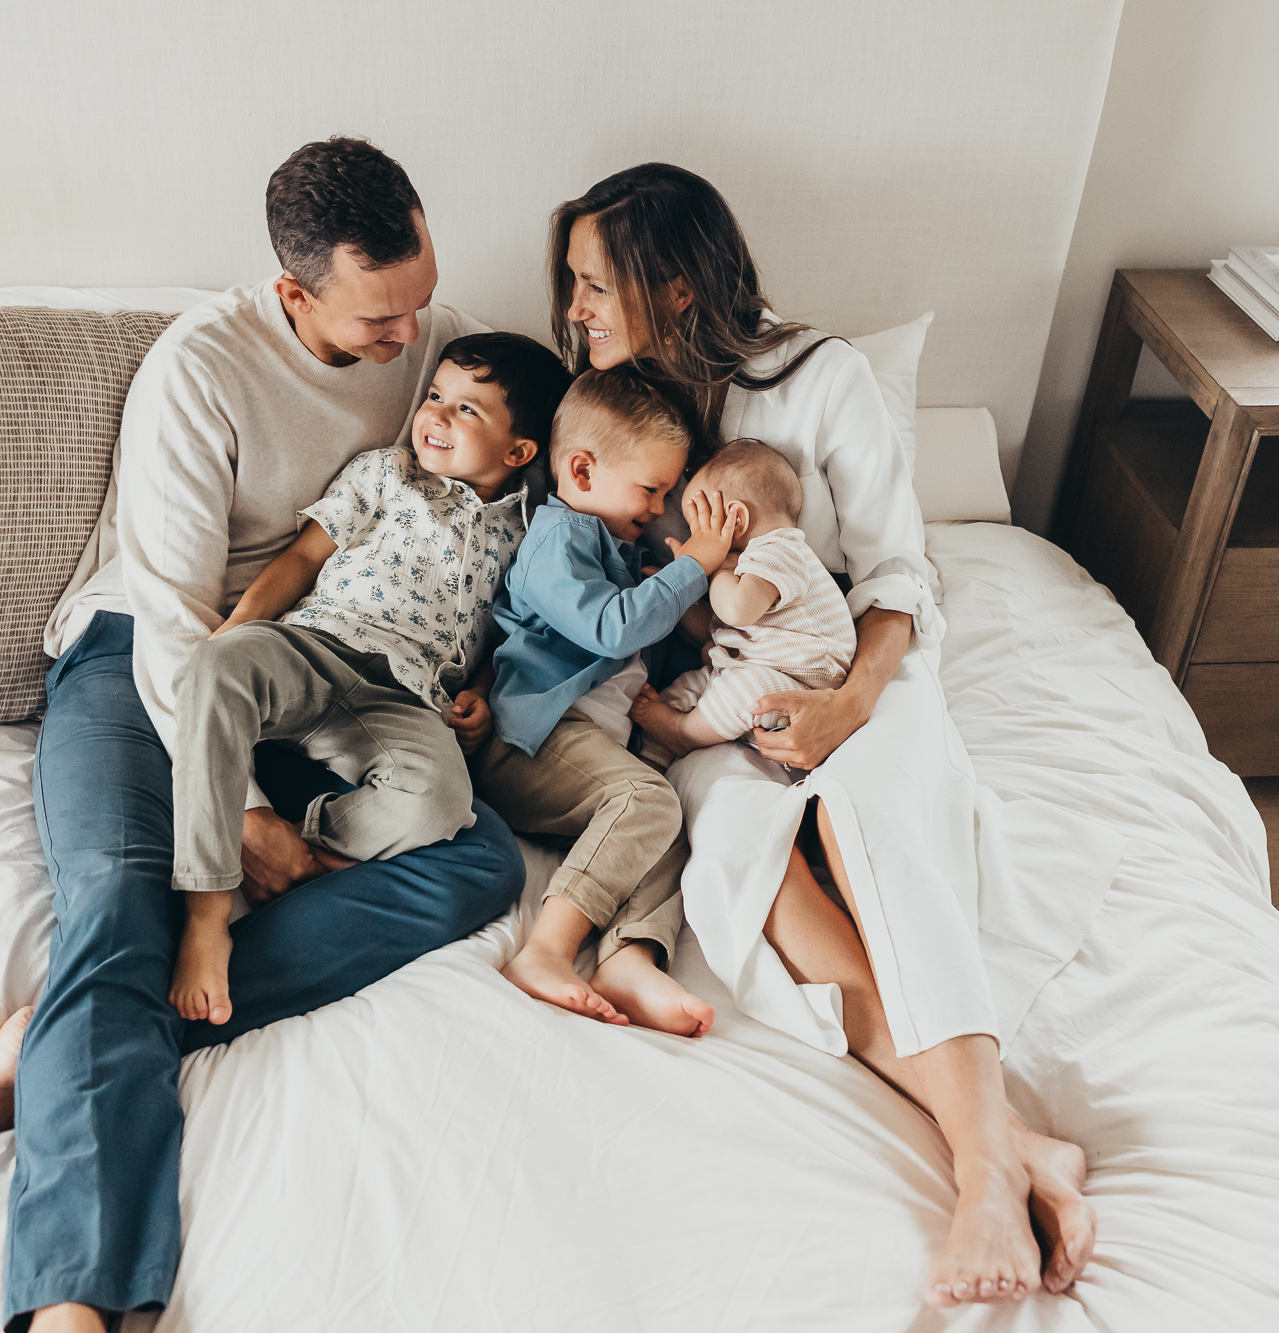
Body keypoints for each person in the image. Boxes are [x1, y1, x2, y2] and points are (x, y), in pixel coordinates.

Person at [0, 137, 527, 1333]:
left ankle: (58, 1046)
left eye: (419, 301)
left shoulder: (443, 352)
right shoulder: (199, 371)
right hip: (147, 662)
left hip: (320, 666)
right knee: (127, 898)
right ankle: (73, 1302)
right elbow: (179, 629)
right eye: (382, 320)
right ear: (294, 293)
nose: (410, 342)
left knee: (478, 859)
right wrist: (239, 817)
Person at [550, 163, 1109, 1307]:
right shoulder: (611, 419)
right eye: (572, 288)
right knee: (754, 873)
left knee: (870, 820)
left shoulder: (821, 379)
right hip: (712, 704)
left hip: (853, 662)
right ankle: (1005, 1144)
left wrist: (847, 706)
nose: (575, 311)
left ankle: (981, 1184)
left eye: (593, 286)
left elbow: (902, 573)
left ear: (674, 287)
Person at [167, 332, 567, 1026]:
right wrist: (239, 629)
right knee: (211, 667)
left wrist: (477, 696)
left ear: (519, 452)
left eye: (468, 410)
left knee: (442, 801)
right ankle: (206, 910)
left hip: (404, 698)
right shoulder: (387, 473)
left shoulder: (526, 535)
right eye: (436, 396)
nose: (436, 416)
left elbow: (494, 632)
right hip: (316, 645)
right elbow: (300, 560)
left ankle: (310, 847)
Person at [472, 369, 729, 1036]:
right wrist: (691, 566)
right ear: (581, 471)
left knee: (664, 823)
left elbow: (646, 641)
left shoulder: (617, 549)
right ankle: (547, 950)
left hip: (586, 751)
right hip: (531, 740)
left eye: (667, 491)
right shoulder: (558, 539)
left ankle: (629, 957)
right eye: (652, 488)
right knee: (647, 802)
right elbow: (611, 628)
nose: (658, 505)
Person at [628, 439, 855, 762]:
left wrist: (714, 565)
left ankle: (684, 734)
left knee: (747, 691)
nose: (695, 540)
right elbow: (711, 628)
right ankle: (650, 760)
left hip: (798, 688)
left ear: (736, 519)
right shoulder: (746, 568)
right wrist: (677, 591)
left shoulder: (781, 550)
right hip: (751, 668)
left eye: (698, 527)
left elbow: (736, 611)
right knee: (687, 688)